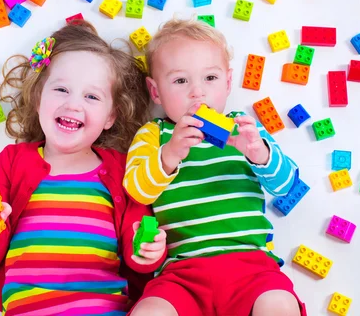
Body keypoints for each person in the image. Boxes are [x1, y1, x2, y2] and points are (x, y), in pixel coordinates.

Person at [0, 20, 167, 315]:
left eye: (92, 96)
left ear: (110, 116)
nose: (74, 105)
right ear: (38, 98)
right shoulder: (12, 160)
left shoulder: (123, 169)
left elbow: (136, 251)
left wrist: (148, 250)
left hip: (102, 308)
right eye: (61, 89)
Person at [124, 18, 306, 316]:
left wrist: (260, 154)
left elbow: (286, 185)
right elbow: (138, 191)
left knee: (280, 306)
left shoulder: (244, 129)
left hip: (253, 267)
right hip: (182, 272)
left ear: (228, 81)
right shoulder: (154, 135)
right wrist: (170, 154)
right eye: (180, 81)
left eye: (210, 78)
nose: (198, 92)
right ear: (155, 92)